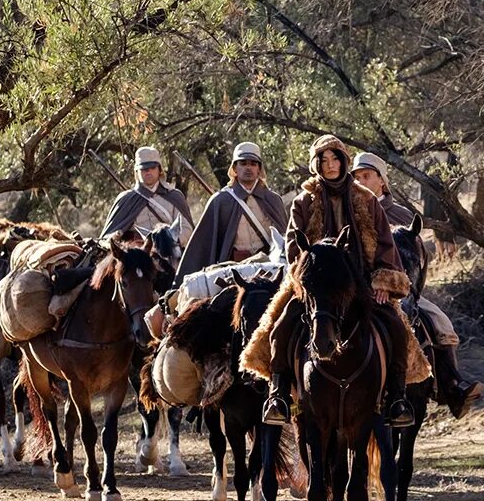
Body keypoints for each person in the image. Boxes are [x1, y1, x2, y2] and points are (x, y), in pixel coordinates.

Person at [248, 135, 418, 428]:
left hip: (361, 283)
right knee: (280, 327)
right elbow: (292, 244)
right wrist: (305, 274)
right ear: (316, 164)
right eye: (323, 160)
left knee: (396, 326)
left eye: (335, 158)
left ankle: (396, 398)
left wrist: (382, 282)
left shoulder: (366, 198)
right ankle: (278, 395)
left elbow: (385, 244)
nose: (330, 165)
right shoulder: (302, 202)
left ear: (343, 161)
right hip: (315, 283)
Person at [351, 152, 484, 411]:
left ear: (382, 180)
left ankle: (451, 386)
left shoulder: (401, 215)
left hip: (402, 292)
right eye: (356, 177)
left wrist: (403, 290)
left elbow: (419, 260)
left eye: (366, 176)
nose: (360, 181)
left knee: (441, 324)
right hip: (361, 291)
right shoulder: (349, 212)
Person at [178, 142, 289, 275]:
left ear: (259, 169)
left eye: (253, 164)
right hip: (234, 268)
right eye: (243, 163)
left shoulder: (273, 200)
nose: (248, 168)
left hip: (269, 267)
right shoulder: (221, 201)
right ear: (235, 168)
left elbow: (285, 238)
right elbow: (203, 245)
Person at [102, 146, 195, 248]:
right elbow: (109, 238)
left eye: (153, 168)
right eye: (144, 169)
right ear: (137, 171)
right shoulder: (126, 199)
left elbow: (186, 228)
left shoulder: (174, 196)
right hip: (138, 255)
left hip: (170, 251)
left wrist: (171, 243)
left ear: (159, 169)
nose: (148, 172)